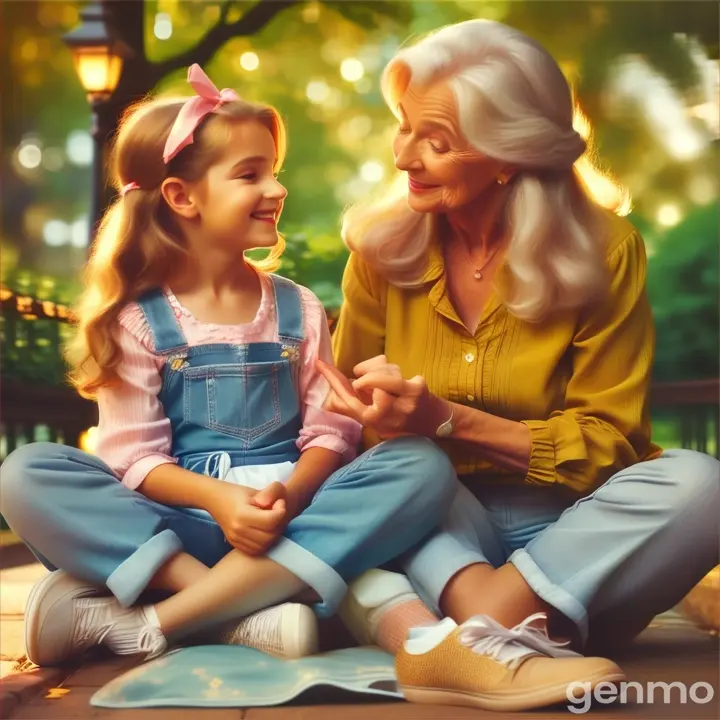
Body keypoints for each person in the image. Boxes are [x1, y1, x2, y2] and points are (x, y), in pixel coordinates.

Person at [320, 19, 720, 712]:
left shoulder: (605, 251)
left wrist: (448, 420)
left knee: (702, 484)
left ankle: (470, 637)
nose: (403, 154)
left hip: (564, 529)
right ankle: (532, 634)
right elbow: (345, 427)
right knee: (403, 477)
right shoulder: (381, 255)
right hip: (431, 523)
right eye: (405, 126)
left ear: (508, 156)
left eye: (434, 141)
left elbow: (609, 444)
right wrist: (385, 422)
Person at [0, 65, 457, 668]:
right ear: (181, 197)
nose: (276, 188)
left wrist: (289, 498)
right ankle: (237, 608)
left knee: (419, 463)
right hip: (182, 525)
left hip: (291, 521)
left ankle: (157, 622)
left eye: (274, 171)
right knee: (26, 473)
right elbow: (133, 457)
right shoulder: (137, 320)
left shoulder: (297, 306)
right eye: (250, 174)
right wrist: (219, 503)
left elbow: (331, 431)